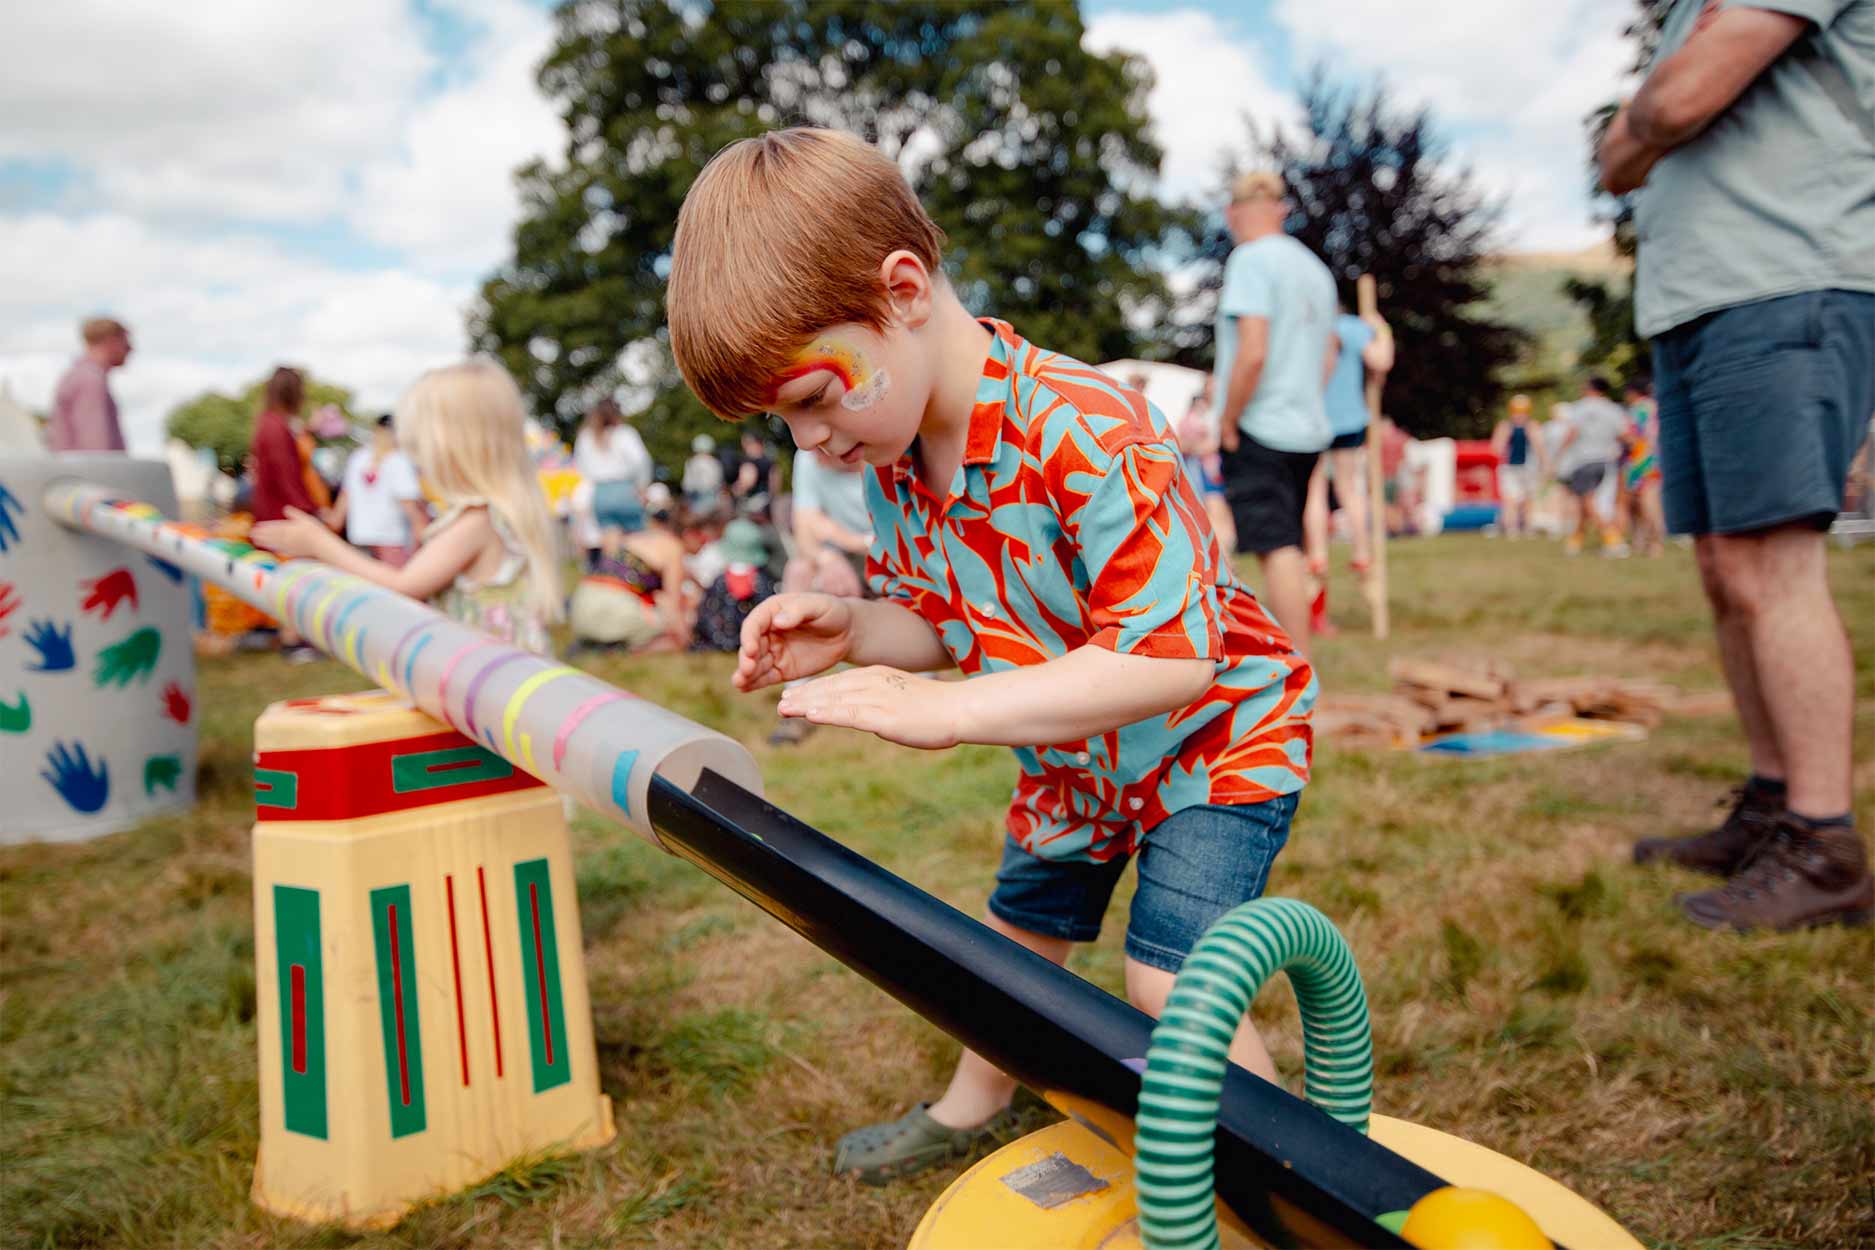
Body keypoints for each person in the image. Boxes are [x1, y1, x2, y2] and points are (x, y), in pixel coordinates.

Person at [666, 127, 1313, 1183]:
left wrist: (959, 710)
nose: (809, 442)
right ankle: (972, 1107)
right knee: (1014, 944)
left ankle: (1289, 1180)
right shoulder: (898, 460)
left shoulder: (1090, 427)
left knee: (1169, 982)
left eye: (813, 398)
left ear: (904, 290)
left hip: (1210, 742)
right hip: (1078, 763)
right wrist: (858, 626)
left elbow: (1173, 659)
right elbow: (944, 619)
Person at [1601, 0, 1872, 930]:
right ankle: (1771, 804)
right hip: (1698, 298)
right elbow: (1612, 157)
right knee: (1725, 568)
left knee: (1770, 564)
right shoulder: (1688, 10)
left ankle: (1824, 843)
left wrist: (1649, 117)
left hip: (1784, 280)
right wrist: (1648, 117)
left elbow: (1670, 110)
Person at [253, 359, 564, 656]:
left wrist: (319, 544)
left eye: (420, 442)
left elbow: (403, 587)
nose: (414, 454)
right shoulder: (490, 513)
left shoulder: (476, 522)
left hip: (495, 691)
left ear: (452, 446)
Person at [1212, 171, 1338, 656]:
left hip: (1261, 424)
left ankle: (1297, 670)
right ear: (1281, 209)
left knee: (1277, 547)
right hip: (1307, 425)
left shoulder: (1250, 260)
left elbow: (1253, 350)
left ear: (1236, 211)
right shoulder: (1314, 270)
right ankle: (1297, 660)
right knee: (1294, 545)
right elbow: (1327, 354)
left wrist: (1228, 418)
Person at [771, 446, 876, 745]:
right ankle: (795, 703)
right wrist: (827, 558)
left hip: (890, 548)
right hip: (845, 553)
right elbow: (806, 530)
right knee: (798, 572)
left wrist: (833, 533)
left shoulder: (878, 449)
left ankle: (924, 682)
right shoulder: (807, 456)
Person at [569, 495, 691, 653]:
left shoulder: (635, 538)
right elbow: (673, 606)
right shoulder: (674, 548)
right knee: (672, 632)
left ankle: (599, 644)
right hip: (614, 608)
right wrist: (687, 638)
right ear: (690, 532)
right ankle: (622, 650)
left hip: (580, 605)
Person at [327, 414, 427, 566]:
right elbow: (410, 506)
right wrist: (420, 536)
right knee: (390, 586)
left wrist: (334, 524)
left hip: (359, 537)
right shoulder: (398, 461)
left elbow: (344, 498)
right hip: (390, 539)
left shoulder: (358, 458)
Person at [1551, 377, 1631, 557]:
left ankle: (1613, 540)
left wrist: (1557, 456)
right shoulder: (1613, 409)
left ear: (1589, 388)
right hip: (1606, 462)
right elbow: (1624, 435)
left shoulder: (1580, 407)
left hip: (1584, 460)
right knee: (1584, 503)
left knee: (1587, 502)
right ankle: (1575, 542)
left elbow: (1572, 433)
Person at [573, 398, 653, 557]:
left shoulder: (586, 436)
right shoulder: (625, 433)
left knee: (610, 540)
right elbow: (641, 461)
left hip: (600, 492)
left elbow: (581, 467)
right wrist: (643, 487)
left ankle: (613, 575)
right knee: (635, 537)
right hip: (625, 489)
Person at [691, 518, 778, 652]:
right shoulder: (763, 580)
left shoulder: (720, 581)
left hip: (717, 642)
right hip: (754, 640)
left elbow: (705, 613)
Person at [1171, 376, 1236, 555]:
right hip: (1203, 472)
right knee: (1213, 513)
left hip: (1218, 470)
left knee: (1220, 514)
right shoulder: (1199, 415)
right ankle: (1223, 557)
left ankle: (1224, 556)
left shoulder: (1220, 412)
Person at [46, 317, 132, 452]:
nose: (130, 349)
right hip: (91, 471)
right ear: (111, 341)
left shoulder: (80, 375)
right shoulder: (90, 380)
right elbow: (96, 445)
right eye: (126, 343)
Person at [1490, 394, 1549, 538]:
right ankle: (1512, 529)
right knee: (1510, 500)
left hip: (1528, 468)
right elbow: (1496, 448)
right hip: (1510, 468)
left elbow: (1539, 447)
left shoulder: (1532, 425)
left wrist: (1545, 465)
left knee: (1529, 499)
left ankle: (1528, 528)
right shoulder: (1505, 426)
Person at [1620, 377, 1667, 558]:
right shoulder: (1656, 407)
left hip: (1641, 461)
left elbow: (1630, 436)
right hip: (1655, 459)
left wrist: (1619, 439)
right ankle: (1643, 542)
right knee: (1643, 503)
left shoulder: (1637, 409)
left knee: (1646, 503)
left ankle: (1654, 543)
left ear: (1632, 392)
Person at [731, 428, 777, 503]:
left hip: (752, 504)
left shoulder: (749, 463)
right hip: (767, 503)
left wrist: (734, 490)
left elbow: (747, 482)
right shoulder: (770, 462)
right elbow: (774, 485)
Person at [683, 433, 727, 510]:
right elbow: (719, 483)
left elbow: (686, 485)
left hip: (696, 500)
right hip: (712, 500)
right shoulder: (715, 463)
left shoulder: (691, 462)